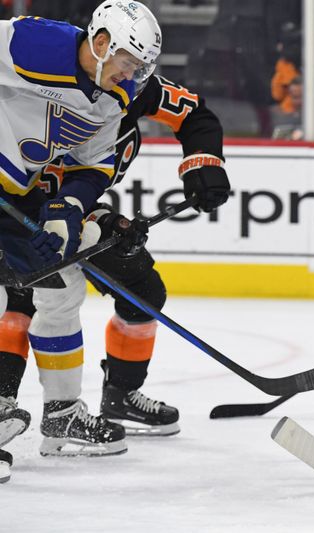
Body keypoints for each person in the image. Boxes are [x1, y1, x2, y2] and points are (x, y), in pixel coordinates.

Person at [0, 1, 163, 477]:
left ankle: (61, 416)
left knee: (60, 287)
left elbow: (93, 164)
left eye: (138, 68)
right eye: (127, 62)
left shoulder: (115, 96)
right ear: (100, 43)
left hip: (17, 191)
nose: (130, 74)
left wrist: (64, 212)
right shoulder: (34, 43)